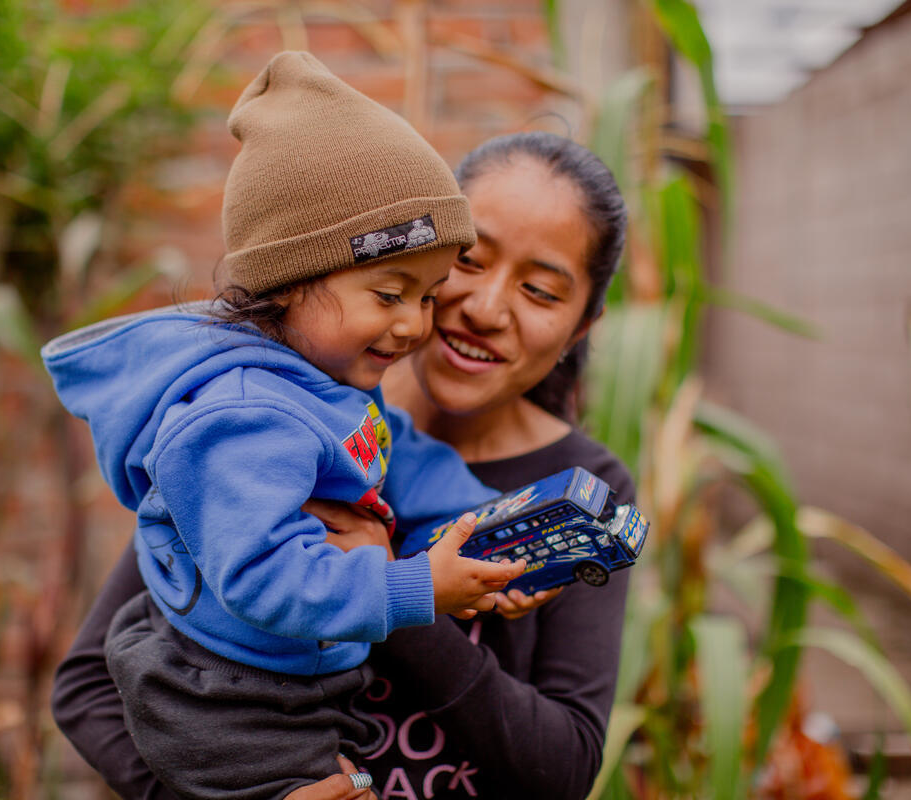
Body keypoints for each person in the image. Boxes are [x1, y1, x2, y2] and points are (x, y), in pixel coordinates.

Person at [51, 128, 632, 800]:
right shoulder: (274, 422)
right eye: (469, 263)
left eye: (539, 290)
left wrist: (403, 586)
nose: (485, 308)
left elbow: (562, 772)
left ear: (582, 326)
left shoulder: (578, 492)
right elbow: (89, 684)